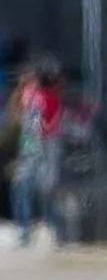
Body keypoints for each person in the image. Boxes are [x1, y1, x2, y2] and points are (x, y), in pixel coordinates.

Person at [9, 58, 66, 247]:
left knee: (45, 189)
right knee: (24, 188)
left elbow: (48, 125)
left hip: (44, 146)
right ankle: (29, 231)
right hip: (33, 146)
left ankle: (56, 230)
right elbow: (19, 114)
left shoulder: (51, 97)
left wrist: (39, 133)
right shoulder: (31, 93)